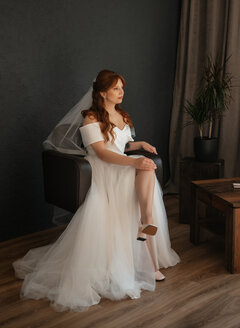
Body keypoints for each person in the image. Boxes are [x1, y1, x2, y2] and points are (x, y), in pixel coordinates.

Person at [12, 69, 180, 312]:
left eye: (122, 88)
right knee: (143, 167)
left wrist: (140, 145)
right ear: (102, 92)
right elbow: (102, 152)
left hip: (119, 163)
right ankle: (147, 236)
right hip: (103, 168)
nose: (121, 92)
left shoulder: (122, 115)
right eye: (116, 88)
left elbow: (121, 144)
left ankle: (146, 228)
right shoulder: (90, 118)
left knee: (146, 168)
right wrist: (134, 161)